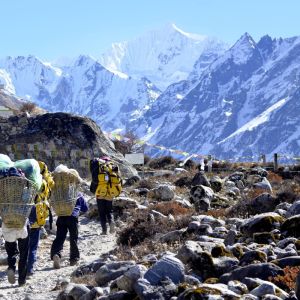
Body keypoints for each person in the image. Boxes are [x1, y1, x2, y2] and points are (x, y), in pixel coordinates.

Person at [50, 193, 88, 269]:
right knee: (73, 238)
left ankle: (56, 254)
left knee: (59, 237)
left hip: (61, 217)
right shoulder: (78, 194)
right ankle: (74, 259)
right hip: (73, 217)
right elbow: (85, 208)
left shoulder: (60, 193)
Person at [95, 156, 121, 235]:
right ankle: (111, 223)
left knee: (101, 212)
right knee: (109, 211)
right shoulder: (114, 167)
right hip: (110, 193)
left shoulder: (100, 167)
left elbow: (95, 180)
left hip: (100, 192)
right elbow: (119, 180)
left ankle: (104, 231)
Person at [3, 222, 30, 286]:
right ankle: (22, 281)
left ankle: (11, 268)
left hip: (8, 229)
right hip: (22, 229)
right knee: (23, 255)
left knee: (11, 253)